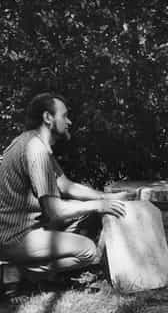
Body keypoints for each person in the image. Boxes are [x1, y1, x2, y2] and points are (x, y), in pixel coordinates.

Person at [0, 92, 130, 287]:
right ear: (48, 118)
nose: (69, 121)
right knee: (88, 251)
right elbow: (55, 211)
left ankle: (37, 267)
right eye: (65, 116)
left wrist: (106, 197)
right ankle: (18, 272)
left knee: (84, 211)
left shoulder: (31, 142)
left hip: (22, 228)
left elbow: (66, 185)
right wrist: (97, 205)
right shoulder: (37, 151)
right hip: (16, 237)